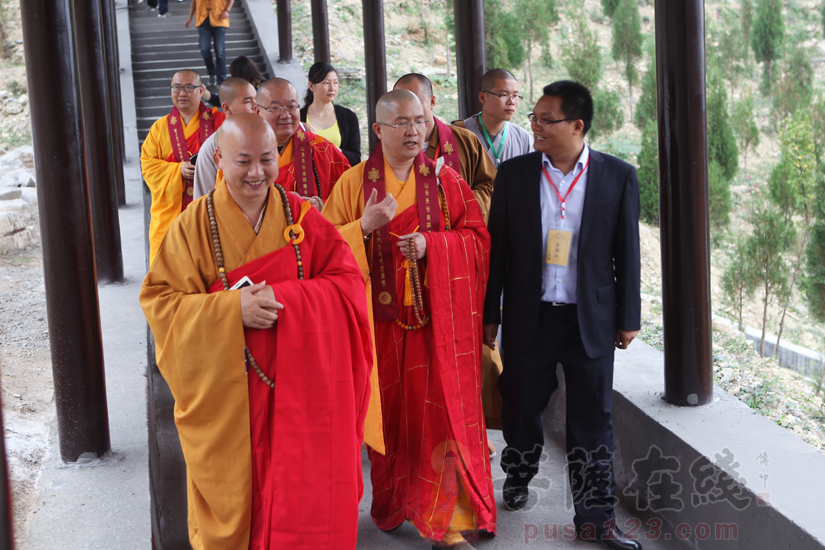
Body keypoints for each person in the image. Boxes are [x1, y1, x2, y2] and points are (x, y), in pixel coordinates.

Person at [140, 114, 372, 549]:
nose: (256, 172)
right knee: (237, 506)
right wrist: (231, 310)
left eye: (267, 159)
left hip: (300, 396)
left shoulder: (302, 216)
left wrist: (291, 299)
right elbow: (161, 304)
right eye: (243, 160)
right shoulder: (192, 226)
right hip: (228, 402)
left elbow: (347, 287)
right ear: (218, 159)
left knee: (300, 504)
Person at [323, 89, 496, 548]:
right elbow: (321, 256)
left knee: (438, 420)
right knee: (392, 423)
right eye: (401, 122)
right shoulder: (353, 184)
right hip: (374, 329)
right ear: (378, 130)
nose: (413, 131)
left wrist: (432, 248)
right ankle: (396, 502)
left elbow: (477, 239)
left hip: (434, 327)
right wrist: (363, 227)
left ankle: (446, 519)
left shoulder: (447, 183)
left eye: (419, 121)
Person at [482, 81, 641, 550]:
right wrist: (491, 313)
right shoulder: (514, 174)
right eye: (533, 118)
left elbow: (626, 254)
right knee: (521, 405)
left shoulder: (617, 176)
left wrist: (628, 317)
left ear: (577, 125)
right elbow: (499, 253)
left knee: (594, 420)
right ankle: (519, 471)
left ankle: (595, 519)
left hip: (588, 318)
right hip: (531, 315)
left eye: (545, 119)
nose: (534, 126)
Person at [141, 69, 226, 263]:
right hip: (171, 214)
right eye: (177, 87)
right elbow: (148, 165)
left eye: (189, 87)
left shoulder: (220, 122)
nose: (182, 93)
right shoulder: (159, 128)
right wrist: (176, 170)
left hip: (211, 209)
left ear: (201, 90)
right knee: (168, 267)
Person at [393, 73, 496, 221]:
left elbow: (490, 185)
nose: (408, 110)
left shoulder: (465, 140)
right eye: (401, 103)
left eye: (415, 101)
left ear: (432, 102)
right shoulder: (390, 146)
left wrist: (461, 205)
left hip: (456, 235)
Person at [256, 78, 351, 209]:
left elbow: (352, 197)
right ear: (257, 111)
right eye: (276, 108)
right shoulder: (243, 154)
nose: (286, 115)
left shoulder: (322, 148)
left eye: (292, 106)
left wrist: (321, 205)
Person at [193, 77, 258, 199]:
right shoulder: (211, 147)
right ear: (227, 108)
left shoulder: (263, 137)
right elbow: (203, 198)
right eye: (248, 101)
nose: (255, 106)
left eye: (256, 100)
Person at [455, 69, 533, 168]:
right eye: (504, 95)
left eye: (515, 96)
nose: (511, 102)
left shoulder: (523, 138)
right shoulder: (459, 133)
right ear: (483, 97)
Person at [299, 62, 362, 166]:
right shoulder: (299, 118)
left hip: (341, 179)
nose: (332, 88)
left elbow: (355, 159)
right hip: (311, 180)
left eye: (336, 82)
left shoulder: (349, 117)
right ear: (311, 86)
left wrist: (325, 146)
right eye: (326, 83)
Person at [184, 0, 233, 87]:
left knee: (220, 50)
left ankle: (220, 80)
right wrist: (190, 17)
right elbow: (194, 2)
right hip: (203, 20)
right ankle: (211, 72)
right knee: (204, 49)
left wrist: (227, 10)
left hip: (219, 18)